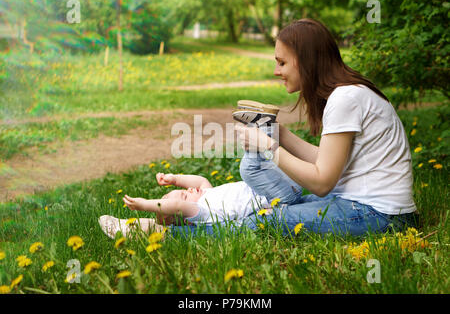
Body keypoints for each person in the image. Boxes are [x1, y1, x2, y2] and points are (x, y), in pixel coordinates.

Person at [169, 18, 419, 238]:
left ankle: (170, 234)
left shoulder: (345, 99)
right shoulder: (346, 94)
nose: (276, 71)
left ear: (306, 61)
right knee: (273, 207)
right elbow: (326, 161)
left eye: (282, 63)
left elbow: (322, 182)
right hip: (366, 206)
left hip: (381, 216)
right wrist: (280, 134)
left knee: (266, 221)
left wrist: (267, 147)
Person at [98, 172, 276, 239]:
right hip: (268, 198)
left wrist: (176, 179)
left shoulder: (206, 194)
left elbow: (201, 180)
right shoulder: (203, 211)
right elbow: (175, 205)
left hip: (260, 186)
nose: (190, 189)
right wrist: (145, 205)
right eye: (185, 194)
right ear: (185, 216)